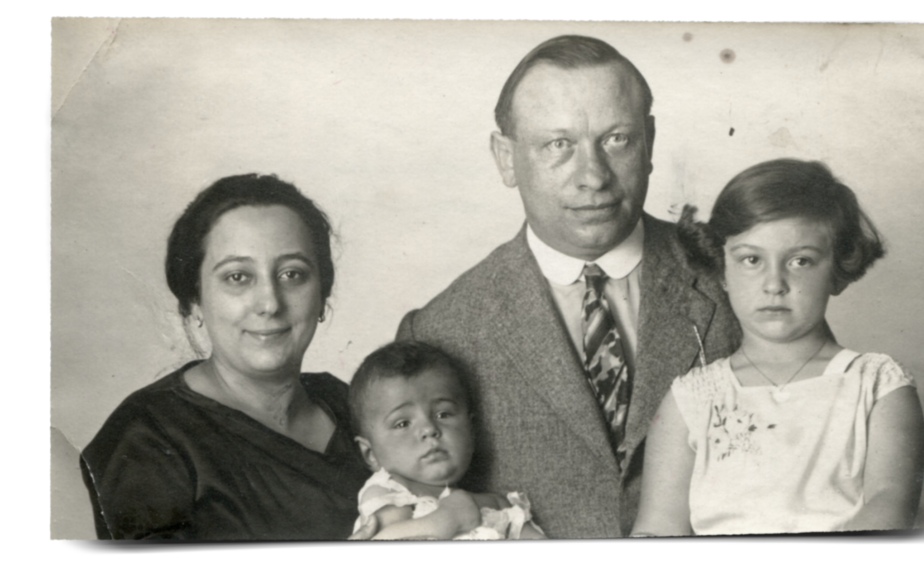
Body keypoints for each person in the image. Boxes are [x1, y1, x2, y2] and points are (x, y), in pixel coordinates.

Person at [396, 35, 741, 538]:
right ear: (506, 158)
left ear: (649, 142)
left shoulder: (738, 282)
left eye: (616, 139)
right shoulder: (440, 331)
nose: (593, 176)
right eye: (558, 145)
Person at [631, 159, 924, 536]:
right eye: (751, 260)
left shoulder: (877, 386)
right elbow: (657, 528)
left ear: (838, 269)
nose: (774, 284)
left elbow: (888, 510)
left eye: (800, 261)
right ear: (721, 270)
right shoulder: (692, 399)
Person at [79, 174, 373, 539]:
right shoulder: (146, 435)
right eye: (237, 277)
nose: (270, 303)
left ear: (322, 294)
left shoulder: (352, 405)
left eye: (292, 274)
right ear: (194, 301)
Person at [347, 341, 546, 540]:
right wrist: (446, 519)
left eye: (443, 414)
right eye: (402, 424)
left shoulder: (498, 505)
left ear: (471, 429)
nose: (429, 429)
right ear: (371, 454)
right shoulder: (389, 490)